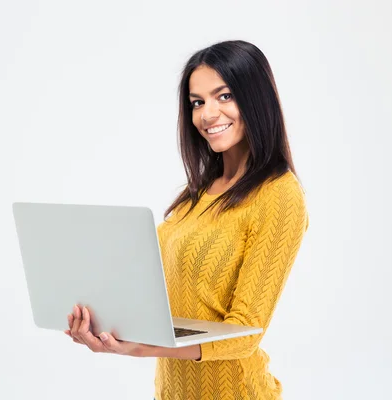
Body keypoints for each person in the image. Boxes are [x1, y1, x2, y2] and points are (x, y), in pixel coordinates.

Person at [64, 40, 309, 400]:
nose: (207, 114)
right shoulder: (195, 196)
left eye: (224, 96)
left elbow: (245, 333)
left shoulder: (279, 194)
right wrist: (98, 318)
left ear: (256, 98)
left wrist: (142, 348)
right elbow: (153, 294)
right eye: (197, 102)